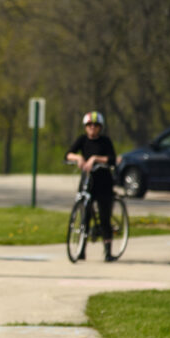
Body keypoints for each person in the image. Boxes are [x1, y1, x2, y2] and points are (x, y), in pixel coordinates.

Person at [65, 111, 118, 262]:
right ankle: (81, 250)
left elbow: (112, 159)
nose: (92, 128)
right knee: (85, 215)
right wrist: (79, 158)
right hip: (87, 182)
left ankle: (108, 252)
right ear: (85, 127)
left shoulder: (105, 141)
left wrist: (95, 159)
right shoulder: (82, 140)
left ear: (100, 127)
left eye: (95, 125)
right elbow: (68, 154)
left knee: (104, 216)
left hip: (103, 183)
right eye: (89, 125)